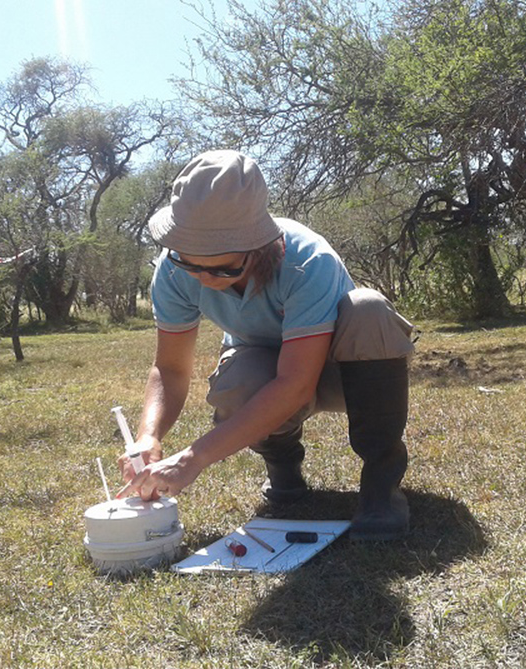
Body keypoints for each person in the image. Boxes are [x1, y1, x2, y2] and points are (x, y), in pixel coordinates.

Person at [116, 150, 415, 540]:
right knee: (238, 378)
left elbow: (296, 383)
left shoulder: (309, 261)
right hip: (271, 370)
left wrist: (192, 459)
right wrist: (148, 436)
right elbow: (170, 369)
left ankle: (381, 485)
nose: (203, 278)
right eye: (191, 264)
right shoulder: (173, 270)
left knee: (369, 308)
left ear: (258, 246)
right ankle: (283, 465)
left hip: (346, 374)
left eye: (223, 268)